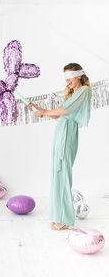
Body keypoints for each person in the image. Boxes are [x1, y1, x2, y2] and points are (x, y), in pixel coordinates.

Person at [29, 63, 92, 230]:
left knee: (63, 173)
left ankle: (64, 219)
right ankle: (58, 217)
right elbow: (60, 115)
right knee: (57, 173)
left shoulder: (84, 91)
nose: (68, 81)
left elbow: (64, 111)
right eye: (66, 78)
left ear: (79, 75)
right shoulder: (73, 94)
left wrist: (46, 112)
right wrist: (40, 110)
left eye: (70, 77)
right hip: (61, 132)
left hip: (68, 134)